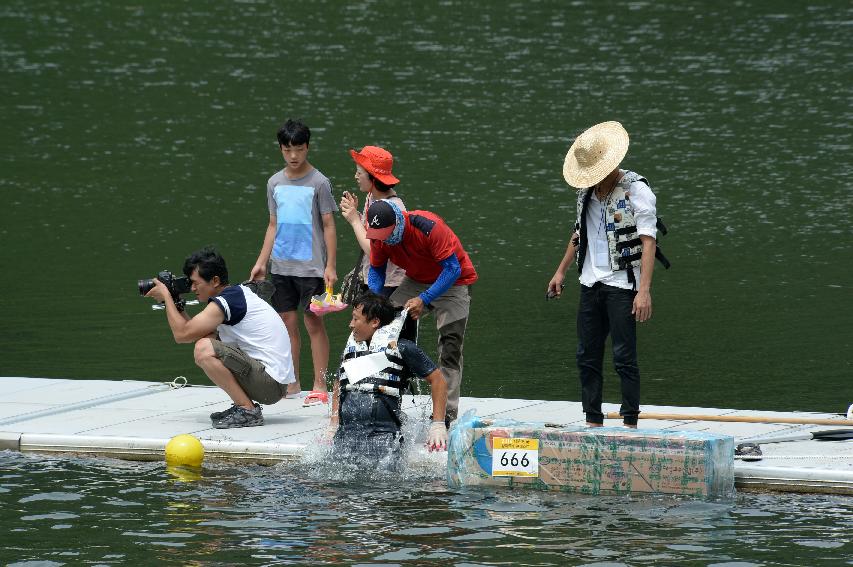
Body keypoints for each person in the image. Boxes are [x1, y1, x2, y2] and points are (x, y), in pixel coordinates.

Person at [547, 121, 660, 429]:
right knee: (586, 355)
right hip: (590, 282)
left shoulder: (636, 190)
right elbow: (578, 234)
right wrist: (561, 271)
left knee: (624, 356)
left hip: (623, 284)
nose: (594, 180)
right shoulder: (586, 194)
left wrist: (644, 290)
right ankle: (593, 419)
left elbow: (649, 241)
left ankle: (630, 421)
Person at [146, 247, 296, 428]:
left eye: (196, 283)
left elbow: (182, 335)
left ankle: (247, 410)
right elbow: (197, 333)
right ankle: (244, 407)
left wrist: (166, 299)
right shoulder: (233, 297)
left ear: (215, 280)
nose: (192, 288)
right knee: (206, 343)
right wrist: (176, 304)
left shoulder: (228, 301)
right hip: (272, 383)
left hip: (270, 384)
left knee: (203, 349)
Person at [363, 199, 477, 425]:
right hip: (415, 281)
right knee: (382, 328)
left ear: (397, 222)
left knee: (450, 345)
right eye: (378, 235)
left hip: (454, 281)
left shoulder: (428, 227)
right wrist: (375, 301)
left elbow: (452, 269)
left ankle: (446, 414)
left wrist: (424, 300)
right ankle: (385, 400)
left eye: (386, 233)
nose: (382, 239)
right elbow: (376, 269)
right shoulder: (377, 236)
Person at [250, 119, 338, 408]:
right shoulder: (274, 182)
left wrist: (330, 265)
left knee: (313, 323)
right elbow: (272, 225)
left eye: (298, 149)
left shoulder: (319, 182)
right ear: (281, 149)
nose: (293, 156)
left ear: (307, 147)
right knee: (287, 323)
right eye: (287, 150)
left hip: (312, 266)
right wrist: (262, 262)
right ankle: (292, 382)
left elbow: (328, 225)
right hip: (281, 265)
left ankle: (320, 384)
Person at [329, 293, 448, 465]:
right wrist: (334, 423)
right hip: (346, 434)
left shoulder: (402, 348)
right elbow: (340, 383)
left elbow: (438, 381)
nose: (350, 324)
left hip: (384, 437)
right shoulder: (352, 349)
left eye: (355, 319)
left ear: (375, 322)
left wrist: (438, 424)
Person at [339, 145, 407, 298]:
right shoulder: (372, 196)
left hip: (391, 284)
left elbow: (373, 251)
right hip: (374, 277)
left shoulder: (392, 208)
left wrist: (354, 221)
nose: (355, 176)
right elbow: (371, 233)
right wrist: (355, 213)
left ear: (373, 178)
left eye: (359, 172)